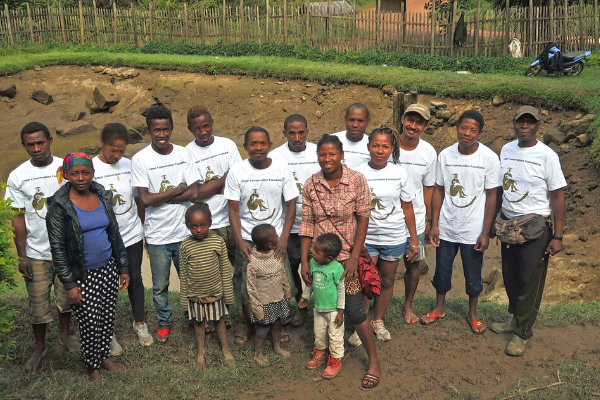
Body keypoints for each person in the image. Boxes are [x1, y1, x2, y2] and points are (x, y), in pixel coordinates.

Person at [300, 134, 381, 389]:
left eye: (332, 154)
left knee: (355, 310)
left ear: (341, 155)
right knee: (322, 306)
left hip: (347, 259)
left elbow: (363, 219)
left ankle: (374, 362)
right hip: (319, 261)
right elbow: (307, 225)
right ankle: (323, 350)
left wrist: (354, 258)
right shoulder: (310, 184)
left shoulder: (357, 180)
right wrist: (305, 261)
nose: (327, 159)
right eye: (322, 154)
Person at [46, 153, 130, 382]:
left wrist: (123, 267)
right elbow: (58, 249)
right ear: (65, 175)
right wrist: (70, 284)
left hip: (107, 268)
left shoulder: (102, 195)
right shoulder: (59, 205)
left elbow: (114, 233)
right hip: (81, 274)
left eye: (86, 173)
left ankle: (104, 357)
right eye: (74, 173)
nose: (81, 178)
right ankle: (92, 366)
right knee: (89, 322)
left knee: (106, 316)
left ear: (93, 173)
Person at [489, 106, 566, 356]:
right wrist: (494, 220)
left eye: (530, 122)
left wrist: (558, 236)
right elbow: (501, 187)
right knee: (511, 276)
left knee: (529, 281)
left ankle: (522, 332)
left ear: (538, 125)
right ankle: (514, 320)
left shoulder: (547, 155)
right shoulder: (507, 149)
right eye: (520, 122)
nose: (525, 126)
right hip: (508, 224)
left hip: (535, 227)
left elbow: (557, 196)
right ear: (514, 123)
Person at [5, 122, 80, 372]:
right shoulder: (17, 175)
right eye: (30, 144)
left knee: (66, 299)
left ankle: (65, 336)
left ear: (50, 140)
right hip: (36, 252)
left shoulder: (66, 168)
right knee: (37, 303)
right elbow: (17, 217)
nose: (36, 148)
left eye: (41, 142)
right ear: (24, 145)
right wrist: (22, 254)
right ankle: (40, 346)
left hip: (66, 250)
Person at [424, 110, 500, 334]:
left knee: (473, 272)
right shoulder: (446, 155)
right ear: (457, 128)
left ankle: (473, 314)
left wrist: (485, 231)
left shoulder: (488, 158)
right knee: (442, 270)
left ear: (480, 132)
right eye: (463, 128)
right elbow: (439, 190)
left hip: (473, 229)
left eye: (473, 130)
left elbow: (492, 196)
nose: (467, 133)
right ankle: (439, 308)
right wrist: (435, 223)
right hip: (447, 227)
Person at [131, 105, 201, 344]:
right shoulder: (140, 159)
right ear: (149, 130)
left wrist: (161, 197)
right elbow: (144, 199)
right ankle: (164, 322)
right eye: (156, 130)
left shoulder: (183, 154)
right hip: (157, 235)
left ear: (172, 128)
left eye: (166, 129)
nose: (162, 135)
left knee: (189, 281)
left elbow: (193, 193)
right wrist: (176, 190)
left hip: (184, 232)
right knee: (160, 286)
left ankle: (194, 318)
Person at [224, 127, 299, 344]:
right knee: (247, 286)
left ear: (269, 145)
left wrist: (284, 238)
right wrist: (239, 240)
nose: (258, 148)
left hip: (274, 239)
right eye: (253, 144)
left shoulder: (281, 167)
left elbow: (291, 205)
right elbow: (234, 210)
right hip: (248, 238)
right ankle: (248, 325)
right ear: (245, 146)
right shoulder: (238, 172)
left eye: (262, 143)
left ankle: (278, 325)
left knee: (278, 284)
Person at [354, 125, 419, 341]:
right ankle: (360, 324)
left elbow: (407, 207)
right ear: (368, 146)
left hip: (394, 236)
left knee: (387, 280)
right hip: (366, 237)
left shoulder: (399, 172)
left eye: (384, 146)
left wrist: (414, 240)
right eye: (375, 146)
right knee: (365, 280)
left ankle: (377, 320)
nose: (379, 151)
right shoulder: (358, 172)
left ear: (392, 148)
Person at [93, 123, 153, 353]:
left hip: (132, 234)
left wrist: (142, 226)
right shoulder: (91, 168)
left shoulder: (131, 165)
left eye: (121, 150)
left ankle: (140, 323)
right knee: (106, 283)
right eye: (112, 150)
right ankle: (107, 333)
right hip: (104, 238)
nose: (117, 155)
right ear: (102, 144)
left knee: (135, 278)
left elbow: (139, 198)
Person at [269, 114, 321, 327]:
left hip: (316, 225)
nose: (297, 137)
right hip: (288, 226)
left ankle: (321, 306)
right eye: (292, 133)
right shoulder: (275, 157)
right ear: (284, 133)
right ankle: (299, 306)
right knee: (290, 269)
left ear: (308, 131)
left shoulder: (319, 152)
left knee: (317, 268)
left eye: (301, 132)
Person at [179, 203, 235, 370]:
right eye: (193, 226)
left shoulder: (218, 242)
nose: (198, 230)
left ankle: (226, 350)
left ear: (210, 223)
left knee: (219, 321)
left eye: (203, 225)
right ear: (187, 226)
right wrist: (184, 300)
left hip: (216, 293)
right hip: (195, 295)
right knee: (198, 323)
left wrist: (229, 295)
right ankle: (201, 353)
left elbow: (225, 269)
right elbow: (184, 275)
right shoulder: (185, 246)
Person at [186, 105, 242, 267]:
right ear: (190, 129)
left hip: (232, 221)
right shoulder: (187, 153)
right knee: (212, 273)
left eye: (206, 126)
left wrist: (209, 187)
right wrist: (224, 179)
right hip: (206, 225)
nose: (203, 132)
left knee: (241, 270)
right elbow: (195, 194)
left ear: (212, 123)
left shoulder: (227, 146)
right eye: (197, 128)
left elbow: (238, 182)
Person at [397, 104, 437, 324]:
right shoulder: (390, 145)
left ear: (426, 126)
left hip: (416, 220)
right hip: (386, 218)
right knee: (378, 264)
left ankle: (408, 305)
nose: (413, 126)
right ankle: (373, 304)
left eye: (419, 122)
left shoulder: (429, 152)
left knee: (413, 265)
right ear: (402, 119)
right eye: (410, 120)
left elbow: (428, 188)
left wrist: (429, 220)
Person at [298, 233, 345, 379]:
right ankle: (320, 354)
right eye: (313, 249)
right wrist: (305, 296)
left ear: (329, 258)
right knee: (319, 333)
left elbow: (341, 290)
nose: (313, 252)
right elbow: (310, 283)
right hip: (318, 308)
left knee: (335, 336)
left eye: (317, 252)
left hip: (333, 311)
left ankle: (335, 360)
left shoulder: (336, 268)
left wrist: (341, 312)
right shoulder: (313, 262)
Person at [246, 224, 292, 367]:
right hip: (263, 302)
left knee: (277, 323)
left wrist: (287, 290)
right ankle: (258, 353)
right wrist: (256, 305)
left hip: (278, 298)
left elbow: (282, 273)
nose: (279, 236)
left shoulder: (277, 255)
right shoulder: (253, 262)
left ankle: (277, 346)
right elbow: (251, 287)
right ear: (269, 243)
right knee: (262, 327)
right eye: (276, 235)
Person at [331, 103, 371, 168]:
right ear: (345, 119)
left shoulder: (373, 146)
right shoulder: (331, 141)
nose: (355, 125)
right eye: (351, 120)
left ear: (368, 122)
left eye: (360, 121)